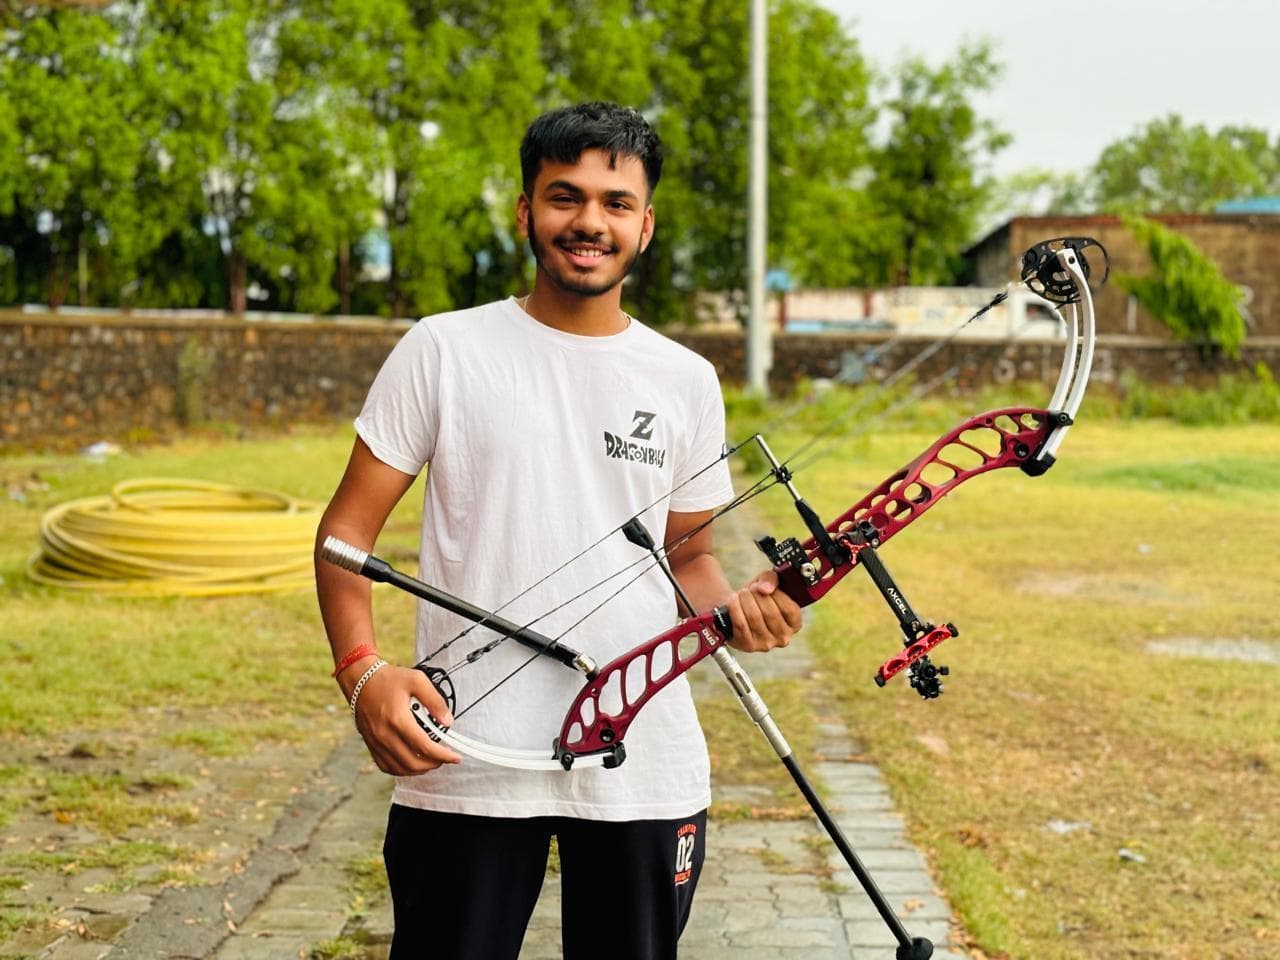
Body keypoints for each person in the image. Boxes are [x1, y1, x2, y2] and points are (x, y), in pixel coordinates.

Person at [315, 101, 803, 960]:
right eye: (565, 196)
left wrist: (739, 611)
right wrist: (363, 673)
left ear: (646, 225)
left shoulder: (685, 379)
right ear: (525, 211)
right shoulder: (443, 349)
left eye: (617, 203)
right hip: (464, 754)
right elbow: (343, 536)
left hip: (641, 764)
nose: (589, 222)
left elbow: (690, 556)